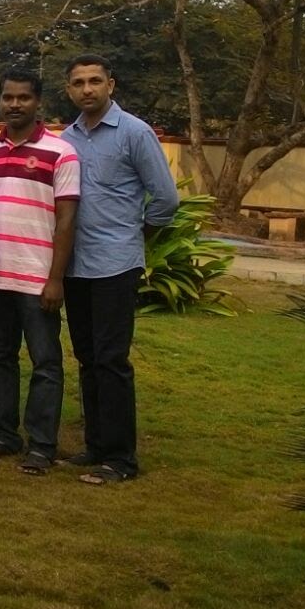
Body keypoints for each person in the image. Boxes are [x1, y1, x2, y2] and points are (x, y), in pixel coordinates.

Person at [60, 54, 179, 485]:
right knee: (87, 358)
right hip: (75, 266)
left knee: (112, 360)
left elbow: (165, 199)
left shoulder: (134, 133)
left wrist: (134, 234)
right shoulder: (66, 139)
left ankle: (121, 459)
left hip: (115, 264)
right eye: (78, 83)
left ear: (111, 84)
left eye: (95, 81)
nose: (87, 89)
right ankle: (95, 445)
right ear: (69, 90)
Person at [0, 69, 79, 476]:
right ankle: (4, 435)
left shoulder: (61, 152)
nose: (14, 104)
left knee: (45, 363)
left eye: (23, 98)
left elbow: (66, 221)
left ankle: (42, 444)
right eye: (8, 97)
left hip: (38, 279)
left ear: (38, 102)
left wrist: (55, 279)